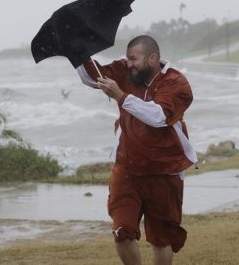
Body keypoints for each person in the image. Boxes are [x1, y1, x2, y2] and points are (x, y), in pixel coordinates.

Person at [77, 35, 197, 265]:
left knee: (162, 240)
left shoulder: (176, 83)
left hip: (164, 171)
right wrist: (77, 52)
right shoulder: (125, 70)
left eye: (134, 59)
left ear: (153, 58)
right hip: (127, 168)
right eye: (128, 58)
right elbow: (95, 79)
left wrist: (121, 96)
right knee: (122, 231)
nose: (129, 63)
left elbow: (159, 116)